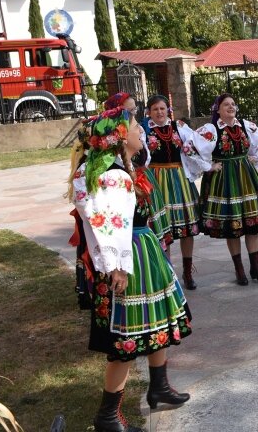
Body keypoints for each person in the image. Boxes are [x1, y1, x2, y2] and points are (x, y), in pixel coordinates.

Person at [68, 107, 191, 432]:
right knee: (126, 338)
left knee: (152, 323)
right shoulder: (115, 174)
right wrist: (116, 267)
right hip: (128, 257)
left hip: (139, 249)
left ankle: (159, 386)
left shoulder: (120, 167)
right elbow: (106, 224)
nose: (142, 130)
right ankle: (108, 416)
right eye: (136, 126)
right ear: (121, 138)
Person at [183, 93, 258, 286]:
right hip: (225, 181)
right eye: (226, 105)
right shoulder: (211, 129)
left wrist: (255, 157)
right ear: (218, 109)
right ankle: (239, 268)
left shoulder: (245, 125)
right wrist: (208, 166)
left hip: (246, 177)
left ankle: (255, 267)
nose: (231, 107)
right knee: (233, 226)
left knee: (252, 223)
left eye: (233, 104)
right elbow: (188, 147)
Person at [104, 93, 173, 252]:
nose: (133, 115)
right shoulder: (115, 167)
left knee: (158, 234)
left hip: (144, 180)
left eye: (134, 110)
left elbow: (145, 158)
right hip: (131, 187)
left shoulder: (137, 133)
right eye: (129, 112)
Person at [145, 95, 201, 289]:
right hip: (157, 179)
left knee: (187, 229)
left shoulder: (179, 127)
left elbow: (197, 143)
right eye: (155, 109)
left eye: (162, 108)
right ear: (149, 112)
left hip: (179, 178)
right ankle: (167, 272)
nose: (160, 112)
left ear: (168, 110)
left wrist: (202, 164)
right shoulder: (145, 130)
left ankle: (187, 272)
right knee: (163, 228)